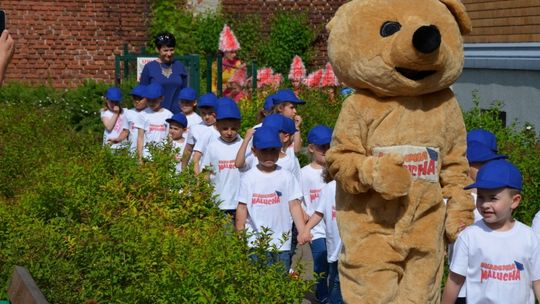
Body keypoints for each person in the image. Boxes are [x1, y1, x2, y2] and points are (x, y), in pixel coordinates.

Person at [442, 159, 540, 304]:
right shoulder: (469, 236)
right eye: (481, 197)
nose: (485, 204)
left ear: (515, 201)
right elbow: (455, 281)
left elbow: (537, 282)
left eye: (493, 198)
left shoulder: (529, 237)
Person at [448, 128, 508, 303]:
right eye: (478, 162)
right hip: (462, 290)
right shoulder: (450, 200)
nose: (482, 167)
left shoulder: (499, 200)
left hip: (497, 288)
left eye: (488, 162)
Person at [235, 126, 306, 273]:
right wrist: (240, 234)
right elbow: (242, 208)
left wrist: (302, 231)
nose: (268, 155)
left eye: (273, 150)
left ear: (279, 150)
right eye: (264, 151)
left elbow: (294, 205)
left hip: (282, 243)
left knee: (280, 282)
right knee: (257, 281)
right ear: (254, 151)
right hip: (254, 242)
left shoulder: (287, 176)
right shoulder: (248, 178)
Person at [300, 125, 333, 303]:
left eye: (330, 146)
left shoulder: (335, 171)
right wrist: (305, 219)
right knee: (321, 264)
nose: (327, 151)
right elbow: (297, 199)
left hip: (335, 228)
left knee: (334, 264)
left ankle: (335, 295)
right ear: (312, 148)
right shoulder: (304, 173)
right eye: (323, 147)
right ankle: (323, 295)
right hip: (317, 229)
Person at [298, 172, 343, 304]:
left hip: (354, 246)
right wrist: (306, 229)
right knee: (335, 280)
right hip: (335, 245)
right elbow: (319, 212)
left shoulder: (360, 189)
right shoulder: (329, 189)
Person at [200, 98, 243, 221]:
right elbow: (206, 173)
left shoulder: (244, 145)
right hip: (219, 202)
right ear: (217, 126)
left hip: (240, 202)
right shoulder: (212, 147)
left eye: (233, 128)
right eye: (225, 128)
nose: (229, 132)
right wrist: (203, 195)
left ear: (239, 125)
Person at [140, 32, 187, 114]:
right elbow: (143, 94)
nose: (169, 54)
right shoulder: (149, 67)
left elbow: (184, 93)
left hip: (176, 117)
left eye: (171, 50)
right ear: (157, 49)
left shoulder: (180, 66)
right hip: (155, 115)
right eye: (165, 50)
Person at [181, 92, 218, 169]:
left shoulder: (222, 129)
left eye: (210, 113)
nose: (206, 117)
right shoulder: (195, 129)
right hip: (198, 170)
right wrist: (183, 170)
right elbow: (188, 150)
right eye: (203, 113)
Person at [137, 83, 173, 161]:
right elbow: (140, 137)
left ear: (161, 98)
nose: (151, 103)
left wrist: (169, 153)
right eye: (149, 100)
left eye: (154, 100)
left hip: (163, 156)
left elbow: (170, 136)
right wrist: (140, 158)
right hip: (147, 156)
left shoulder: (168, 115)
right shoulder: (143, 114)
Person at [270, 89, 305, 155]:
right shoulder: (269, 126)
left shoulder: (293, 127)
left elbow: (297, 150)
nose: (295, 111)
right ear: (280, 108)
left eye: (295, 108)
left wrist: (297, 127)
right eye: (291, 107)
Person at [212, 25, 244, 95]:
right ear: (225, 52)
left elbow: (240, 83)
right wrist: (215, 92)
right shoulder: (216, 65)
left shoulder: (237, 64)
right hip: (220, 95)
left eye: (235, 52)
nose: (235, 54)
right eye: (232, 52)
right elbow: (212, 82)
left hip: (234, 95)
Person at [125, 84, 147, 154]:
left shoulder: (150, 113)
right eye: (135, 98)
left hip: (147, 153)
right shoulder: (128, 113)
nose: (137, 101)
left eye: (140, 98)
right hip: (132, 152)